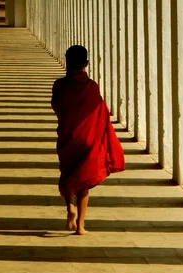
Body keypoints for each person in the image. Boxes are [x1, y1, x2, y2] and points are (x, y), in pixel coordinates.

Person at [51, 45, 125, 235]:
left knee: (68, 173)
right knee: (83, 182)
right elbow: (100, 110)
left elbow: (57, 106)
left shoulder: (59, 85)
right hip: (87, 139)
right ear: (86, 64)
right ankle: (81, 226)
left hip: (68, 136)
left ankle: (70, 208)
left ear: (67, 61)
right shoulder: (91, 86)